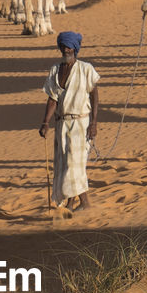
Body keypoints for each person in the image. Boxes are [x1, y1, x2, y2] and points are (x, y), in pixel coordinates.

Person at [39, 31, 99, 213]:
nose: (66, 49)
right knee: (65, 164)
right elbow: (52, 99)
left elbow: (94, 96)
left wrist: (94, 123)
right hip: (61, 123)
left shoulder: (86, 69)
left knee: (74, 164)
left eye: (69, 46)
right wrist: (45, 122)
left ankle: (80, 203)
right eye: (64, 46)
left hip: (81, 123)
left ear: (75, 48)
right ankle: (75, 204)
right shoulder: (55, 70)